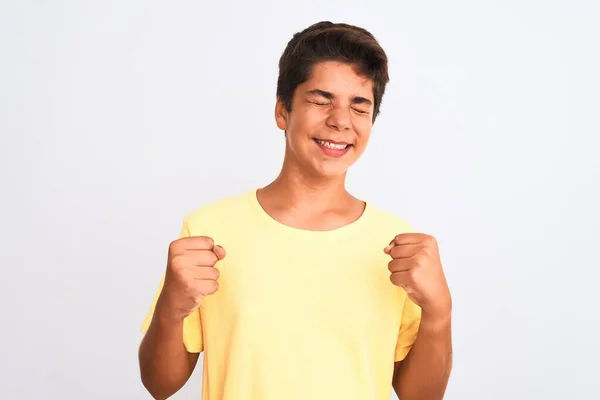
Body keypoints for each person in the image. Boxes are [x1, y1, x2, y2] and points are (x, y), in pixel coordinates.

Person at [138, 21, 453, 400]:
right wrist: (171, 308)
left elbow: (420, 396)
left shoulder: (399, 247)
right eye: (321, 100)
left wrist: (439, 312)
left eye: (359, 106)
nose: (340, 120)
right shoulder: (209, 231)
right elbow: (160, 385)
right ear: (282, 112)